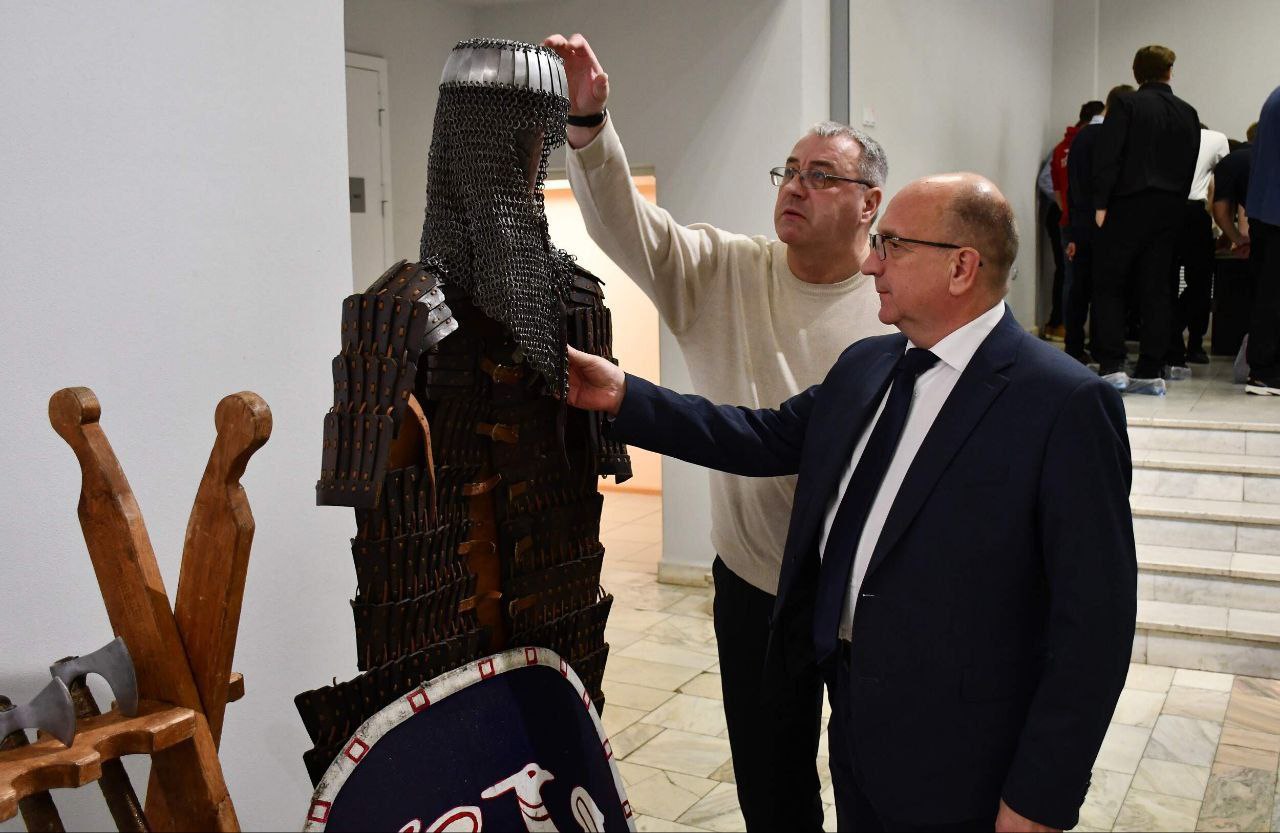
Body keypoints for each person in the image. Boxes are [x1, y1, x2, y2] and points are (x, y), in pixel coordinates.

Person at [566, 172, 1137, 832]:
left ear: (961, 267)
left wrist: (1042, 793)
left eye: (891, 245)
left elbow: (1094, 625)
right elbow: (763, 436)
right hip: (857, 720)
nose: (870, 264)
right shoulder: (870, 364)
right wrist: (623, 396)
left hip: (966, 753)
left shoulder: (1063, 403)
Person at [543, 32, 893, 831]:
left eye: (822, 175)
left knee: (876, 785)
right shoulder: (727, 271)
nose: (795, 186)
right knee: (772, 790)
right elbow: (628, 227)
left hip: (867, 595)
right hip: (755, 584)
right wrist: (590, 125)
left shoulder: (895, 302)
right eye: (789, 171)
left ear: (870, 203)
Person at [1091, 45, 1200, 389]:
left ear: (1137, 73)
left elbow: (1110, 154)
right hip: (1171, 206)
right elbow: (1189, 163)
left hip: (1128, 202)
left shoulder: (1126, 104)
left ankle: (1112, 361)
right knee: (1158, 286)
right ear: (1169, 72)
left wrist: (1100, 203)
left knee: (1110, 283)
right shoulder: (1188, 112)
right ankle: (1151, 366)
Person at [1065, 90, 1130, 363]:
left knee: (1079, 289)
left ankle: (1074, 346)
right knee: (1106, 289)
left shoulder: (1081, 137)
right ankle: (1103, 348)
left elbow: (1072, 186)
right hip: (1104, 222)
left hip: (1080, 221)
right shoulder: (1111, 136)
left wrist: (1073, 230)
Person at [1168, 124, 1230, 368]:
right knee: (1201, 283)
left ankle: (1170, 338)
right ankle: (1194, 344)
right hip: (1196, 214)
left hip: (1167, 212)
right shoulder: (1216, 140)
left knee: (1167, 281)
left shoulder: (1171, 141)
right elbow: (1220, 187)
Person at [1047, 101, 1104, 343]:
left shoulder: (1061, 148)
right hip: (1087, 221)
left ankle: (1070, 334)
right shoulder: (1096, 144)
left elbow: (1053, 186)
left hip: (1068, 219)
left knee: (1071, 279)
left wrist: (1068, 211)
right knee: (1088, 282)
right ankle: (1082, 336)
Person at [1245, 86, 1280, 395]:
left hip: (1266, 212)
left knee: (1269, 294)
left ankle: (1264, 369)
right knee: (1272, 296)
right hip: (1275, 215)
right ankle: (1265, 370)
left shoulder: (1274, 98)